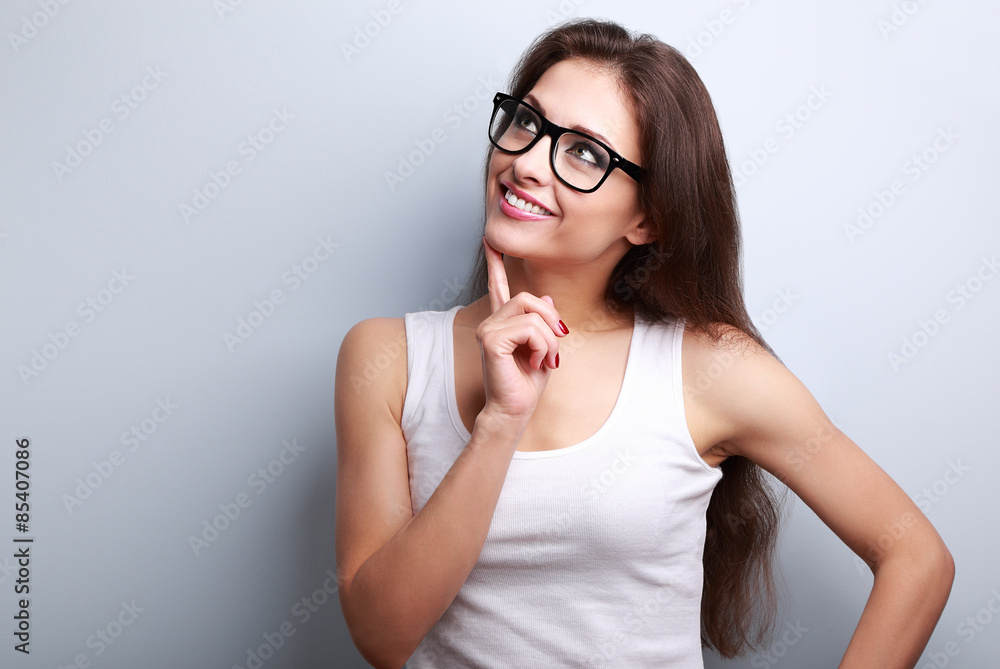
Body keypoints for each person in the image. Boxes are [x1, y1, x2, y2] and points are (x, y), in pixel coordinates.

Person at [334, 18, 954, 668]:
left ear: (646, 217)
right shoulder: (386, 360)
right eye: (527, 121)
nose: (524, 162)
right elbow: (382, 636)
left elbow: (917, 557)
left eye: (584, 153)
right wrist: (500, 423)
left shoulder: (710, 369)